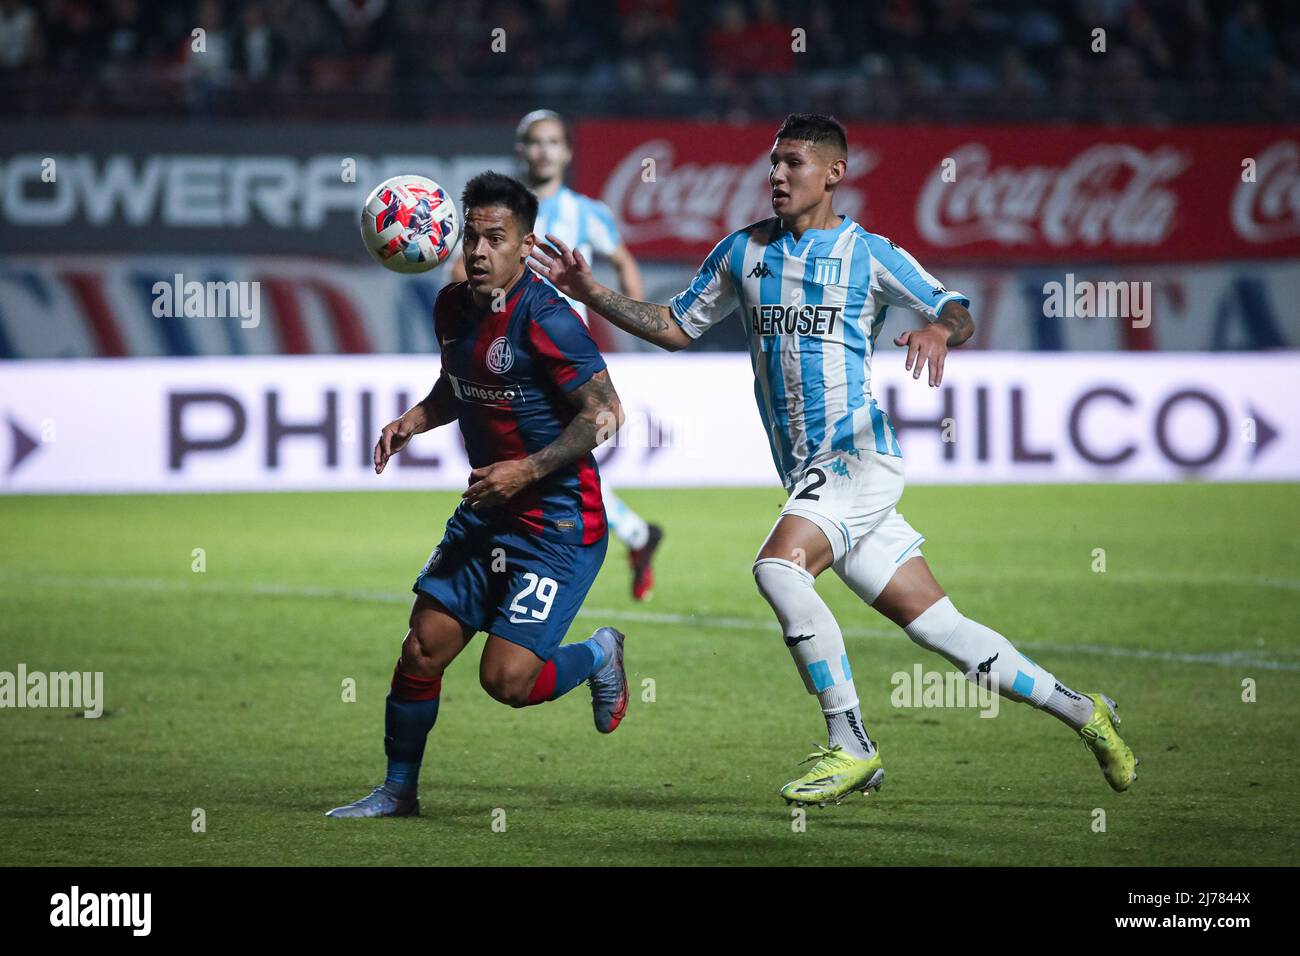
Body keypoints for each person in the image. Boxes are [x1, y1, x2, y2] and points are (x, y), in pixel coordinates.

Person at [528, 113, 1138, 806]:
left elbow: (956, 306)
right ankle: (1088, 714)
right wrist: (590, 294)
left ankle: (852, 744)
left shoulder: (870, 254)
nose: (777, 176)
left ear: (834, 173)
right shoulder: (742, 251)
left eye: (793, 163)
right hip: (812, 476)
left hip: (857, 456)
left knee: (777, 570)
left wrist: (940, 327)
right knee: (945, 629)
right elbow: (675, 326)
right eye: (773, 163)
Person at [327, 171, 629, 818]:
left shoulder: (549, 319)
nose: (480, 251)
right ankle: (397, 792)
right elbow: (457, 385)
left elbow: (607, 415)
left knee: (507, 682)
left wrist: (528, 468)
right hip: (487, 516)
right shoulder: (452, 306)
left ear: (525, 245)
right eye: (473, 236)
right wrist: (414, 419)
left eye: (497, 238)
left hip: (557, 525)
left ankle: (600, 653)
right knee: (421, 648)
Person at [455, 109, 664, 601]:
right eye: (534, 142)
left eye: (552, 142)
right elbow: (456, 274)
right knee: (550, 463)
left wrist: (633, 331)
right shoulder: (501, 213)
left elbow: (623, 264)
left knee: (541, 462)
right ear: (520, 149)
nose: (543, 151)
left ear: (567, 152)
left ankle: (523, 569)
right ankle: (633, 535)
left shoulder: (588, 212)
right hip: (507, 352)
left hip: (562, 360)